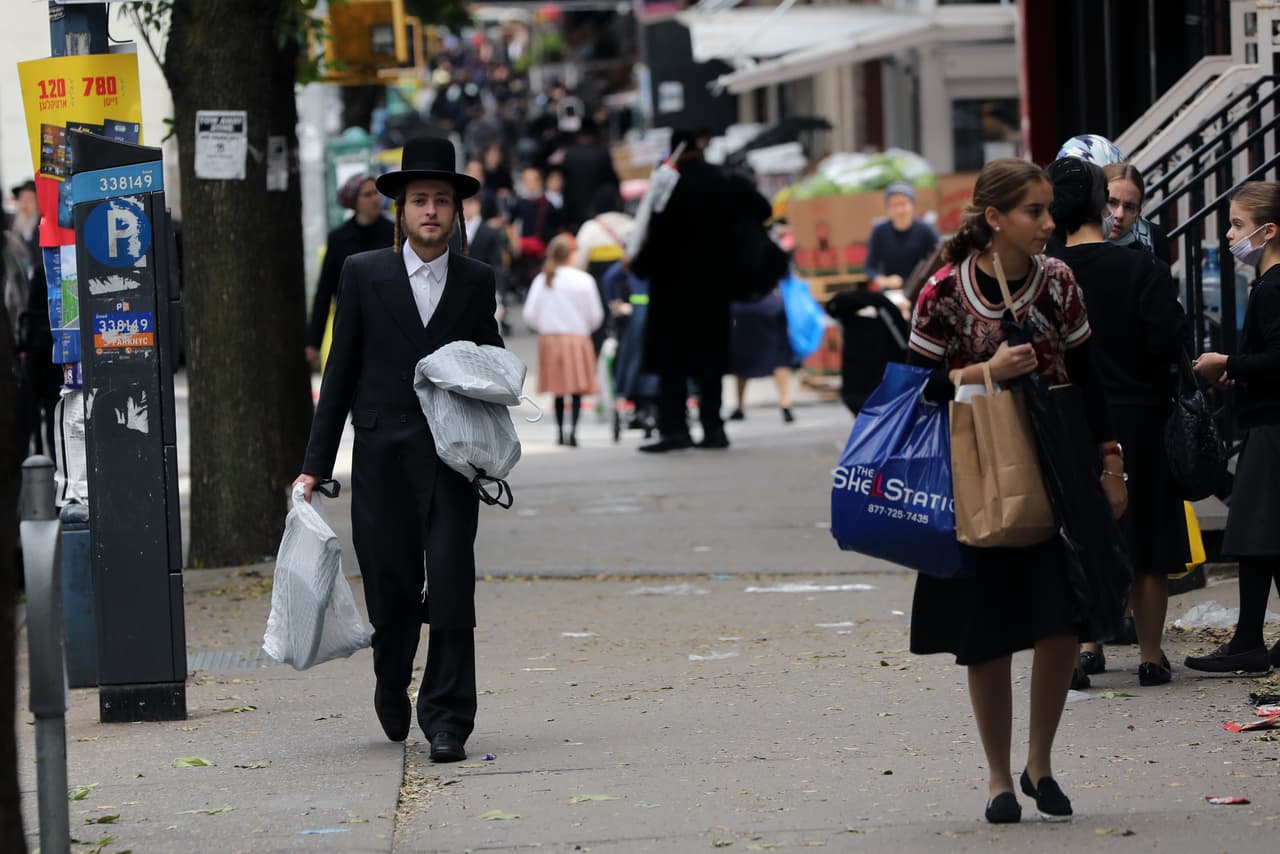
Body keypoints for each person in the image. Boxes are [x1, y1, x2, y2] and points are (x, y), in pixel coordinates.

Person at [906, 158, 1126, 823]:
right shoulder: (943, 290)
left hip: (1059, 464)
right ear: (995, 217)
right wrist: (984, 372)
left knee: (1063, 620)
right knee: (987, 631)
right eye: (1034, 211)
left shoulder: (1058, 283)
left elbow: (1090, 379)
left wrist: (1110, 462)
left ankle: (1042, 762)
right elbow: (911, 392)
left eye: (1049, 210)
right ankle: (999, 778)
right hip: (978, 473)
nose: (1049, 223)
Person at [293, 137, 503, 762]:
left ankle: (447, 719)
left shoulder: (475, 281)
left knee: (452, 583)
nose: (431, 211)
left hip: (450, 462)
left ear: (456, 211)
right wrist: (314, 466)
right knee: (391, 587)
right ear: (400, 211)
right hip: (381, 457)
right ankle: (391, 679)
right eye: (420, 201)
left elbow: (491, 367)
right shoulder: (363, 274)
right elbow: (339, 373)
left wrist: (494, 428)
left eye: (442, 200)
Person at [1045, 157, 1189, 688]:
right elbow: (1168, 341)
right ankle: (1151, 654)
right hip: (1139, 417)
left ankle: (1086, 648)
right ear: (1101, 207)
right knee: (1149, 544)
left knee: (1078, 536)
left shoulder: (1046, 273)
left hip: (1067, 418)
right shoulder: (1143, 270)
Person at [1185, 181, 1280, 674]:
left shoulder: (1273, 285)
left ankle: (1246, 641)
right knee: (1268, 535)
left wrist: (1230, 363)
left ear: (1269, 231)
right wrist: (1235, 370)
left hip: (1271, 427)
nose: (1229, 235)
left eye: (1238, 225)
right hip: (1267, 420)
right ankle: (1254, 640)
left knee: (1254, 534)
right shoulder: (1266, 284)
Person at [631, 130, 770, 452]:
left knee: (672, 364)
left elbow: (656, 239)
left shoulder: (669, 188)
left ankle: (675, 429)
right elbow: (762, 209)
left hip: (672, 290)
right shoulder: (725, 182)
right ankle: (713, 428)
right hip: (714, 289)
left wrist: (638, 266)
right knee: (711, 360)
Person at [305, 173, 394, 369]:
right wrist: (313, 342)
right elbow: (324, 290)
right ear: (355, 200)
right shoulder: (338, 239)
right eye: (368, 194)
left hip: (389, 324)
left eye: (377, 193)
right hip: (351, 324)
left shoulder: (394, 233)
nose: (375, 199)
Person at [522, 234, 603, 446]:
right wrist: (585, 327)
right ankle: (573, 431)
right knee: (576, 389)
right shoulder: (584, 280)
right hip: (577, 338)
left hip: (551, 339)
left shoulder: (543, 279)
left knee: (558, 390)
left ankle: (559, 432)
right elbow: (596, 315)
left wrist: (545, 326)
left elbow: (530, 313)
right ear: (570, 254)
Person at [728, 290, 795, 423]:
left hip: (744, 307)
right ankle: (785, 404)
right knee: (779, 360)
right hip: (769, 305)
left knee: (743, 361)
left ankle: (740, 407)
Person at [865, 183, 939, 291]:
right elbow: (870, 267)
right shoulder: (879, 232)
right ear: (887, 208)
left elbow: (940, 260)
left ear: (912, 205)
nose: (899, 210)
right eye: (894, 205)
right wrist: (885, 281)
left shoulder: (927, 230)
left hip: (922, 289)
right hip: (891, 291)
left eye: (903, 204)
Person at [559, 117, 621, 232]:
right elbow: (613, 182)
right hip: (599, 211)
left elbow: (565, 185)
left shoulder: (569, 154)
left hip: (575, 212)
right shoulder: (601, 152)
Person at [1102, 163, 1172, 264]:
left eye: (1129, 207)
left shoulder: (1154, 239)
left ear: (1138, 213)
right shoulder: (1072, 244)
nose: (1119, 215)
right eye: (1111, 202)